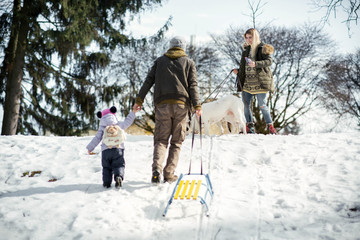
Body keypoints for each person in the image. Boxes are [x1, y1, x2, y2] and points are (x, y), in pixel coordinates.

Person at [133, 36, 202, 184]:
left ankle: (156, 169)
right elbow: (193, 85)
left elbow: (148, 81)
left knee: (161, 140)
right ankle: (169, 174)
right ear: (183, 47)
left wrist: (139, 100)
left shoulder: (160, 61)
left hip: (162, 105)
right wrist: (197, 105)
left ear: (170, 46)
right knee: (176, 142)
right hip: (181, 106)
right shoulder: (189, 63)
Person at [232, 28, 277, 134]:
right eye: (247, 38)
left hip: (260, 83)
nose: (248, 40)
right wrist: (238, 72)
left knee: (262, 105)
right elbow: (244, 68)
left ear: (255, 36)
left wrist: (256, 64)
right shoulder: (245, 51)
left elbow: (269, 61)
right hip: (248, 84)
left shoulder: (262, 48)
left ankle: (270, 126)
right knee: (245, 105)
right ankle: (249, 127)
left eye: (250, 37)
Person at [86, 106, 138, 188]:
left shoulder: (102, 128)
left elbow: (97, 138)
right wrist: (133, 112)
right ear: (113, 114)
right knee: (119, 165)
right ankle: (118, 176)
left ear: (101, 117)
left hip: (106, 151)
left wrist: (90, 148)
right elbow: (127, 122)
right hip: (118, 149)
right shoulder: (118, 124)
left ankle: (106, 183)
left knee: (106, 167)